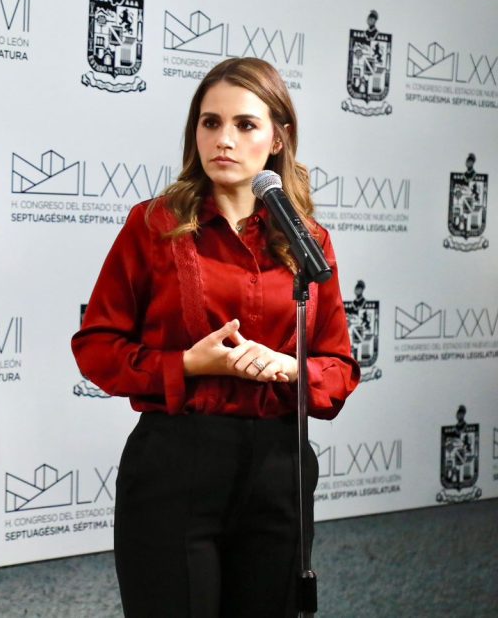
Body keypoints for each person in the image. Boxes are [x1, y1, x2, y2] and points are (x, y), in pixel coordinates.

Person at [72, 57, 359, 617]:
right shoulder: (152, 225)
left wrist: (289, 368)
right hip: (175, 465)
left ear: (278, 138)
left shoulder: (309, 241)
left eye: (245, 125)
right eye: (210, 122)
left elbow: (340, 366)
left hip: (279, 469)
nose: (224, 139)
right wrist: (187, 364)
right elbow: (96, 347)